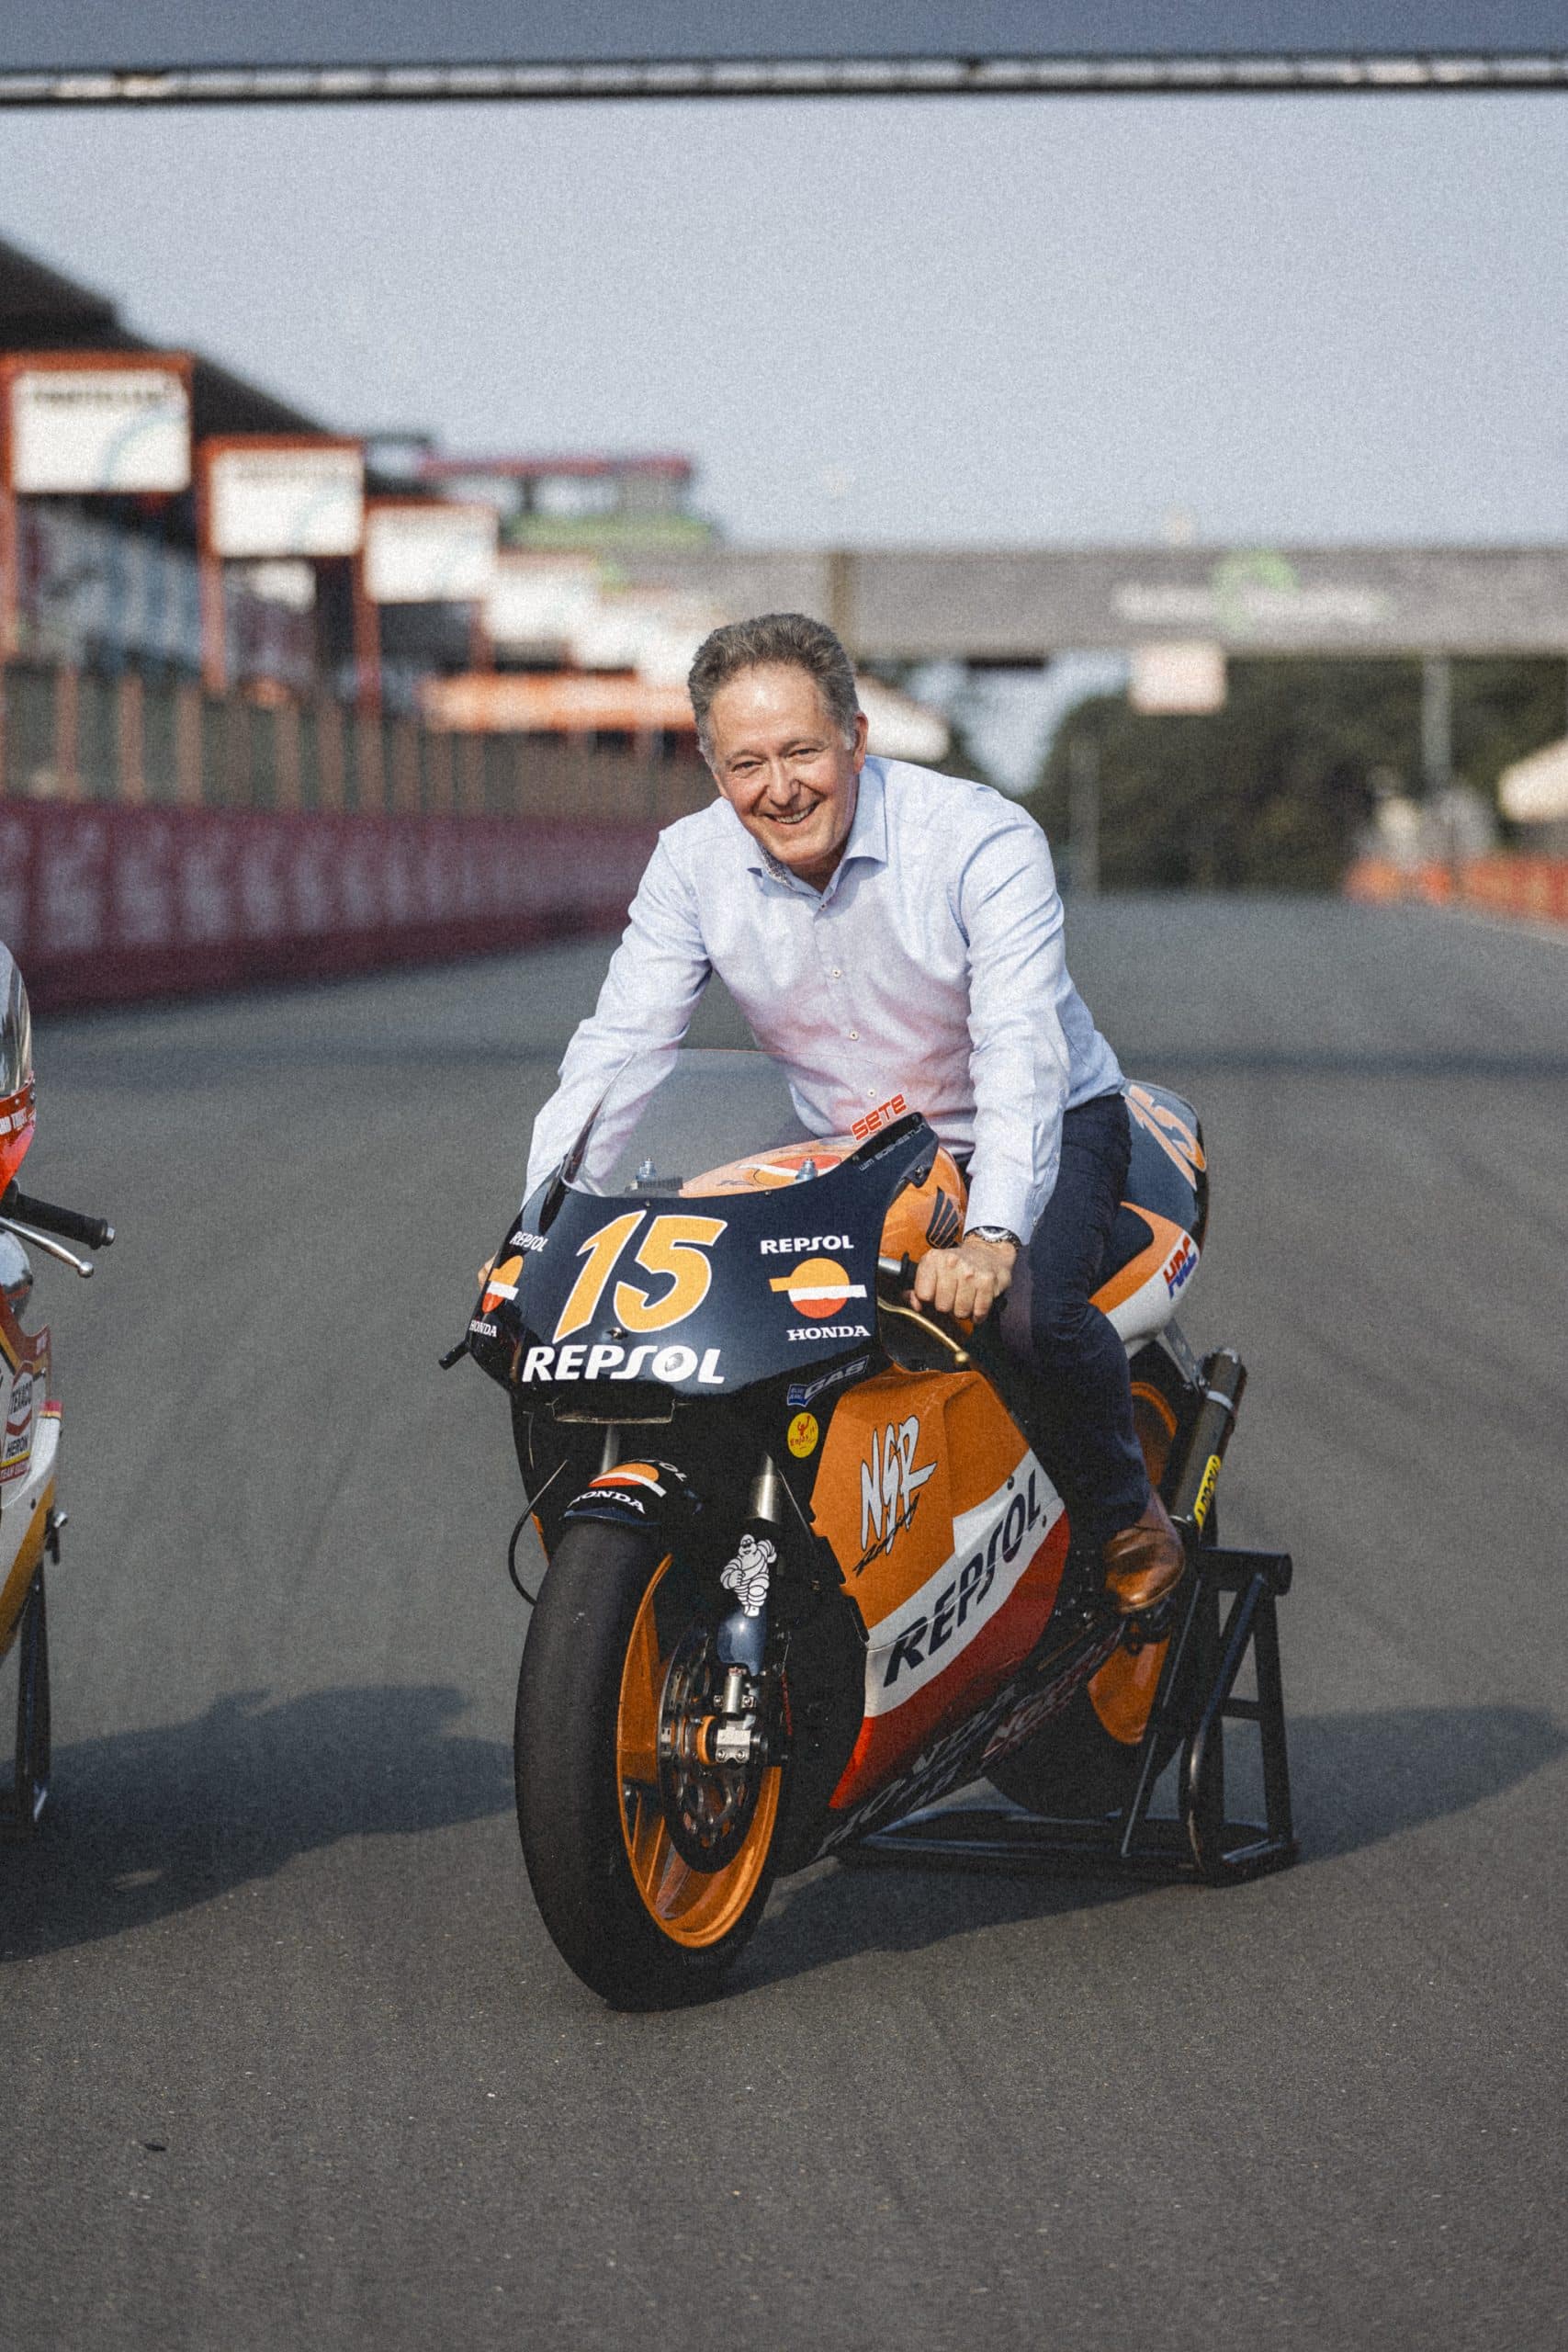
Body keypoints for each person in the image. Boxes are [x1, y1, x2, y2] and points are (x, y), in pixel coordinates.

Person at [524, 613, 1183, 1613]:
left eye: (800, 751)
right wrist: (541, 1223)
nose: (779, 787)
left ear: (857, 739)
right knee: (689, 1331)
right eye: (746, 762)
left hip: (1041, 1122)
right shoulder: (689, 864)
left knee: (1027, 1314)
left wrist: (998, 1236)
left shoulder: (980, 838)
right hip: (859, 1152)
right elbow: (620, 1049)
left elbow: (1020, 1049)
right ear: (711, 768)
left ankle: (1123, 1509)